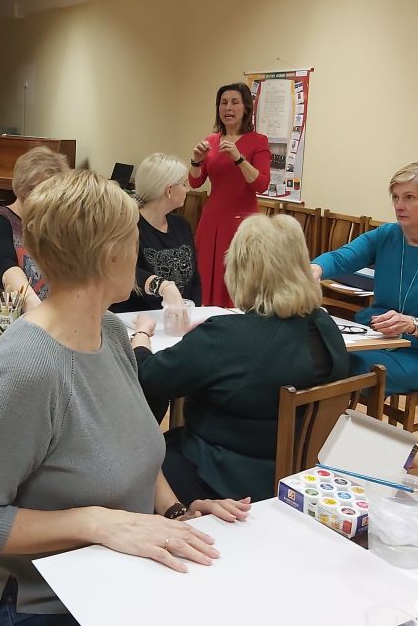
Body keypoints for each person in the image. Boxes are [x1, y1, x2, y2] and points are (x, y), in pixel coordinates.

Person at [0, 170, 251, 626]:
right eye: (134, 241)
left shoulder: (110, 331)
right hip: (46, 599)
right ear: (110, 257)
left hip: (121, 573)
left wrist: (177, 513)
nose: (139, 254)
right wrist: (98, 523)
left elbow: (133, 448)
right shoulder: (30, 366)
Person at [133, 214, 348, 504]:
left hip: (224, 479)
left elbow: (150, 379)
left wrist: (141, 337)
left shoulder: (228, 337)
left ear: (241, 269)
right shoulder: (325, 326)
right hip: (302, 474)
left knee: (133, 463)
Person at [311, 161, 418, 395]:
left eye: (409, 197)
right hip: (376, 339)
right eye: (395, 197)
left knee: (346, 365)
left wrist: (414, 325)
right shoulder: (387, 235)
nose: (399, 206)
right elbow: (343, 257)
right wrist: (316, 268)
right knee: (316, 352)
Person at [189, 82, 271, 307]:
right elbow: (195, 181)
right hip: (212, 218)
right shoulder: (212, 140)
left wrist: (239, 158)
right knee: (206, 270)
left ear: (246, 108)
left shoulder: (258, 141)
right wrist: (196, 161)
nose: (228, 108)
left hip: (242, 221)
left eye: (235, 102)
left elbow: (261, 184)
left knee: (237, 274)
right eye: (223, 103)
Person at [0, 146, 70, 311]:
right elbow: (5, 266)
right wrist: (31, 303)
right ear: (24, 188)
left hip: (43, 318)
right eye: (42, 191)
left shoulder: (53, 227)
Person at [110, 153, 202, 313]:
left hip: (180, 318)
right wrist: (162, 286)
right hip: (138, 319)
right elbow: (125, 272)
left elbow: (194, 279)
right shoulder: (129, 226)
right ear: (169, 190)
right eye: (183, 184)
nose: (187, 190)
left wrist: (194, 312)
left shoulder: (182, 225)